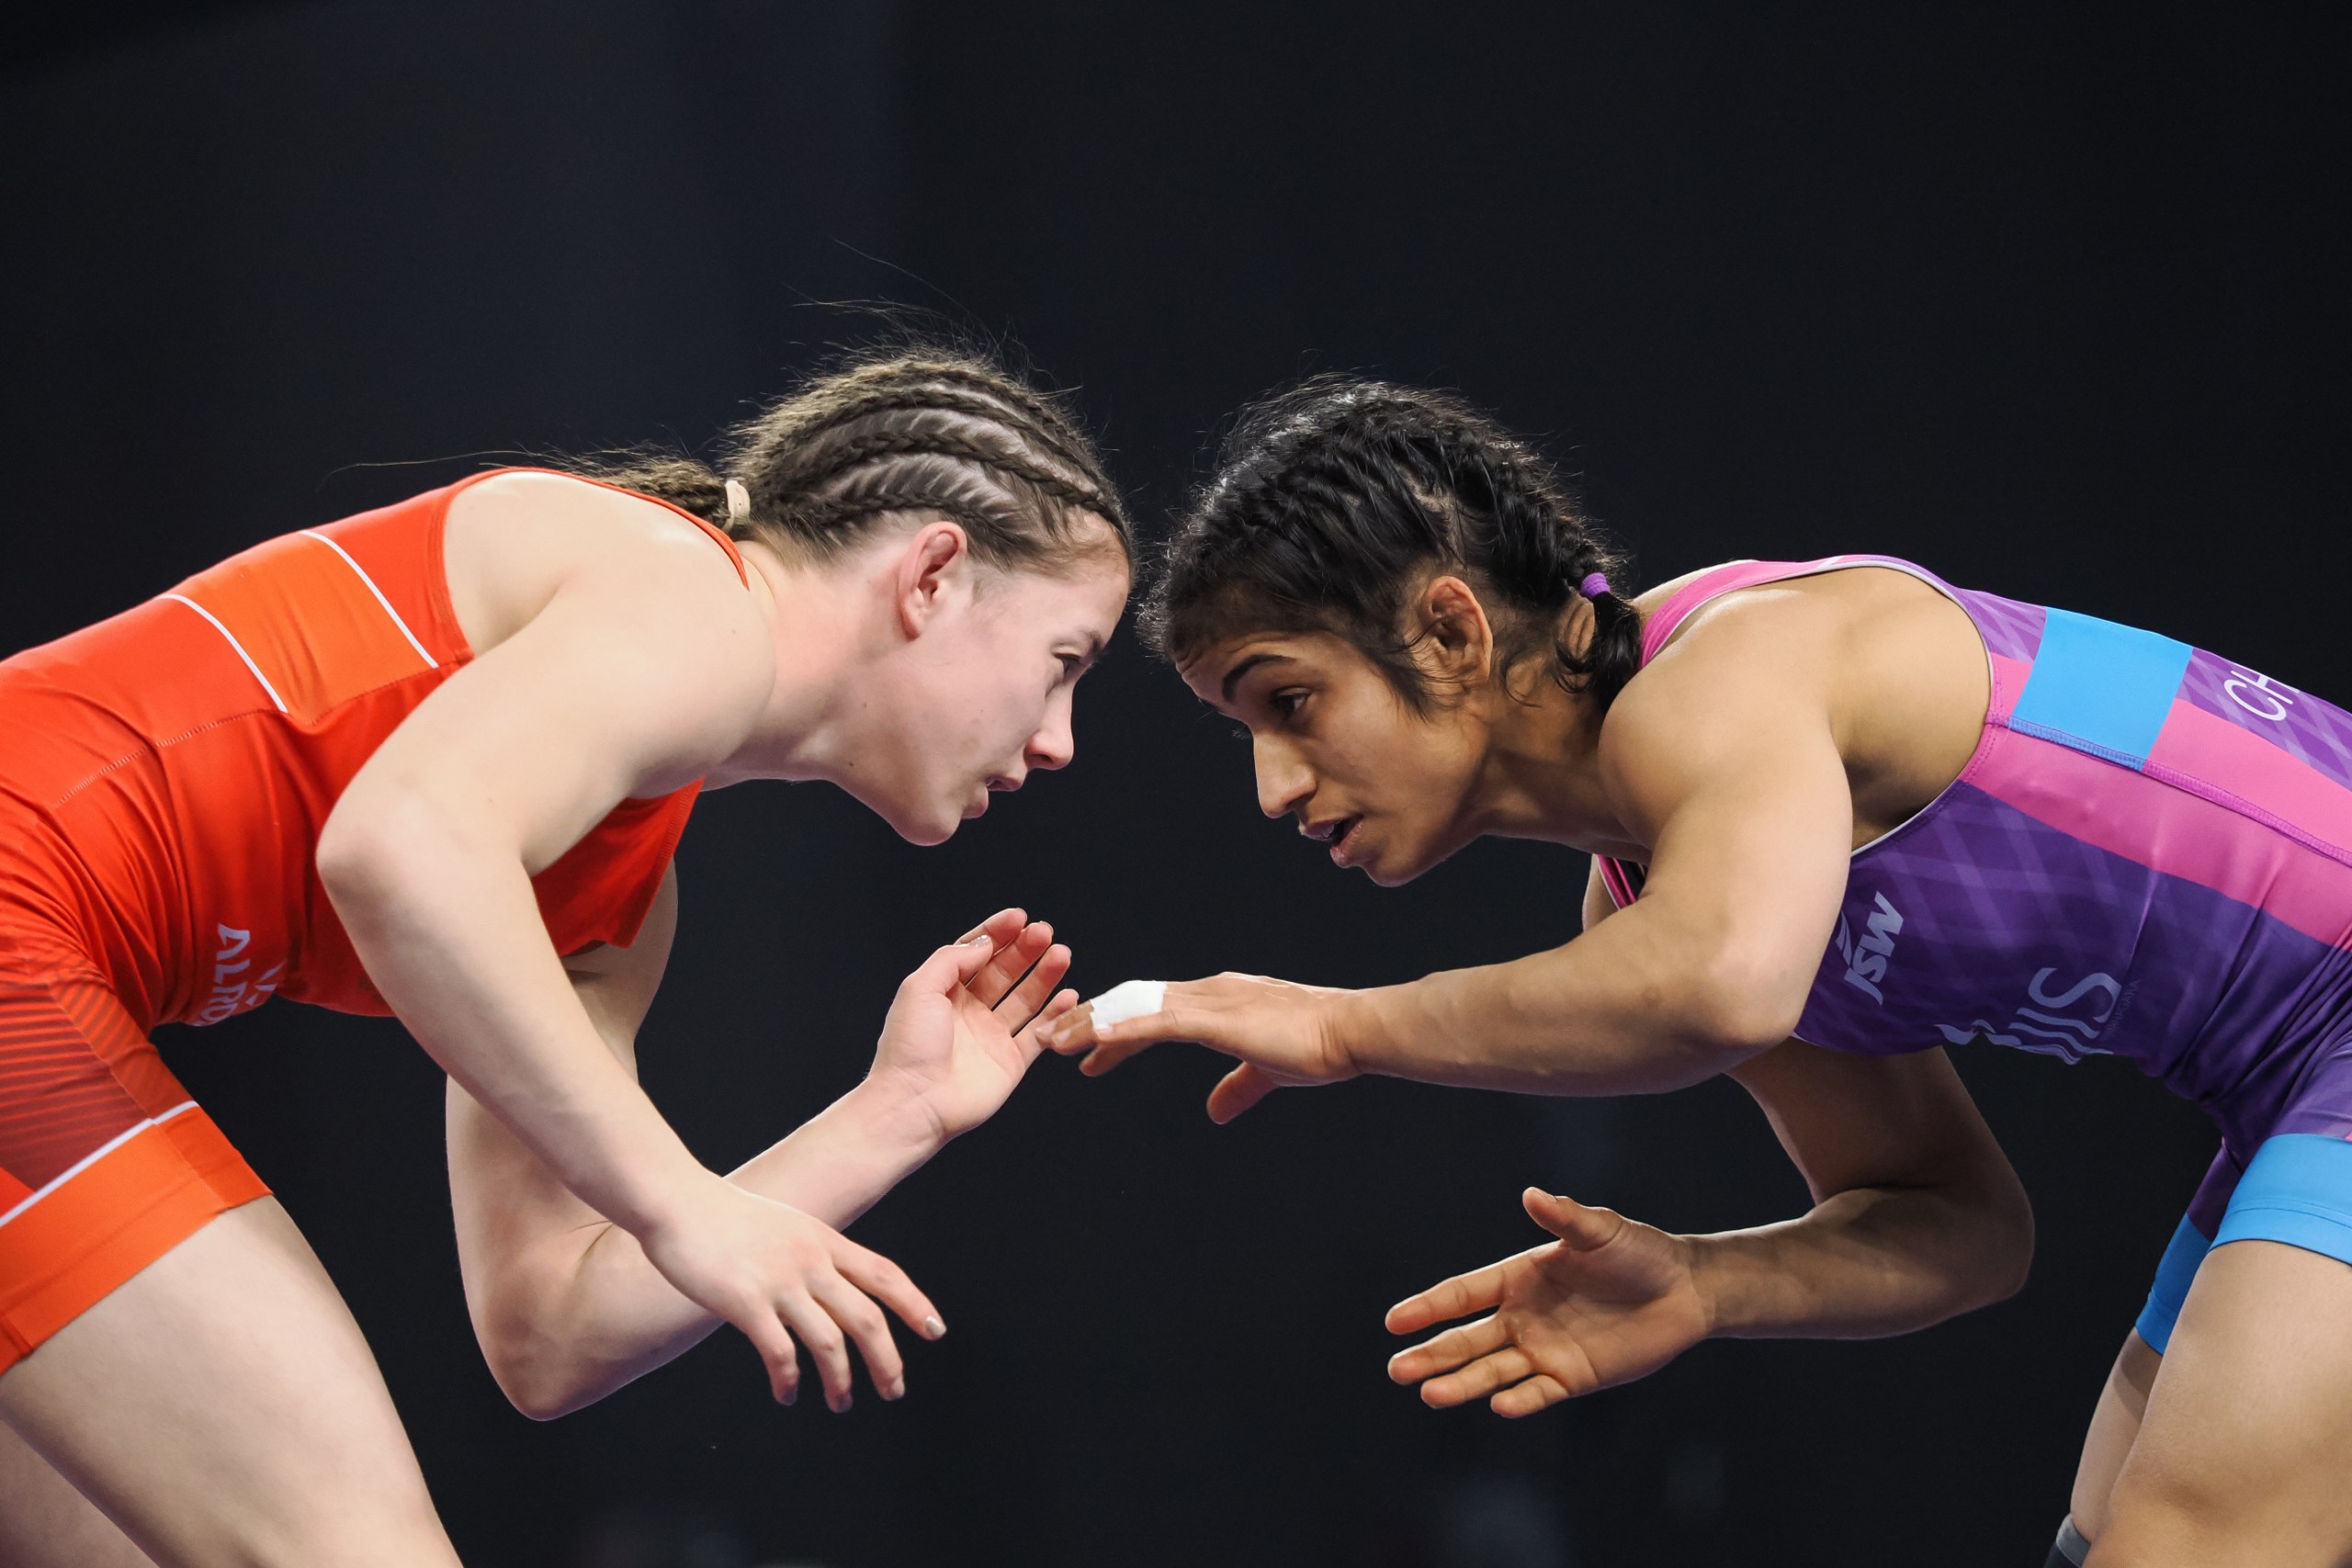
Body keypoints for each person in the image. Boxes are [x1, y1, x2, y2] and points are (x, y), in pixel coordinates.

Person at [1040, 376, 2352, 1566]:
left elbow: (1717, 988)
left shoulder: (1725, 674)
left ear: (1449, 632)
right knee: (2108, 1539)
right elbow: (1959, 1225)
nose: (1272, 787)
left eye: (1289, 702)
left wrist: (1341, 1029)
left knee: (2188, 1546)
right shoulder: (1678, 886)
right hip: (2293, 1082)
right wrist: (1705, 1281)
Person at [0, 346, 1129, 1568]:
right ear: (934, 576)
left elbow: (546, 1333)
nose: (1061, 741)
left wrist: (896, 1111)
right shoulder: (688, 592)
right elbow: (398, 845)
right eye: (1064, 663)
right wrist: (682, 1199)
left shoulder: (617, 897)